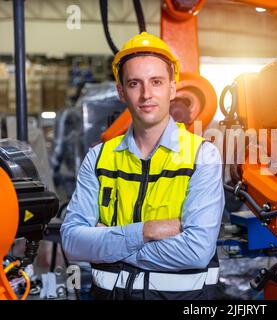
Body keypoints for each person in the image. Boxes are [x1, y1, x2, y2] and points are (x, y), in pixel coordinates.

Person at [60, 32, 225, 300]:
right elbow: (72, 244)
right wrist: (146, 231)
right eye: (135, 83)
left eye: (156, 82)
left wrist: (109, 246)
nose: (146, 94)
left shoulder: (202, 156)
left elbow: (196, 251)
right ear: (121, 92)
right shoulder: (99, 158)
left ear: (173, 88)